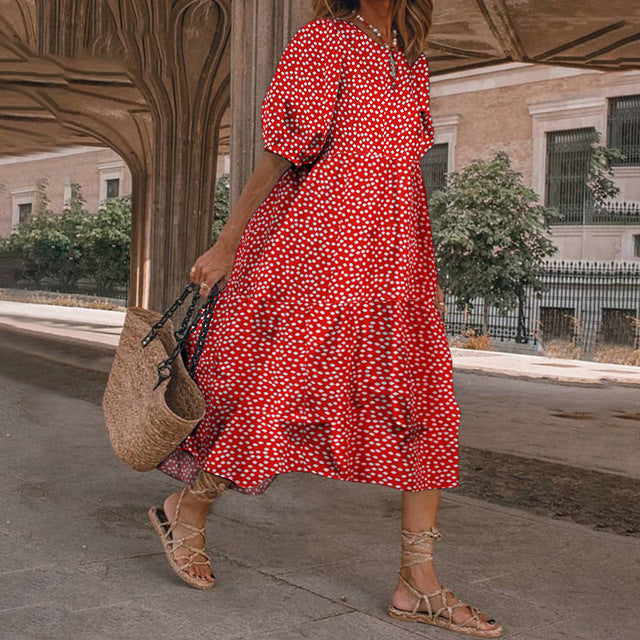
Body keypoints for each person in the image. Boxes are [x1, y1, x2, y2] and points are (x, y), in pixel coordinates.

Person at [147, 1, 502, 637]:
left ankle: (417, 583)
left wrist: (413, 264)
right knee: (283, 394)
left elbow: (399, 168)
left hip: (396, 258)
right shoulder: (323, 39)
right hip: (324, 249)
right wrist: (228, 241)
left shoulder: (409, 55)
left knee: (424, 406)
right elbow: (278, 157)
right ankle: (187, 509)